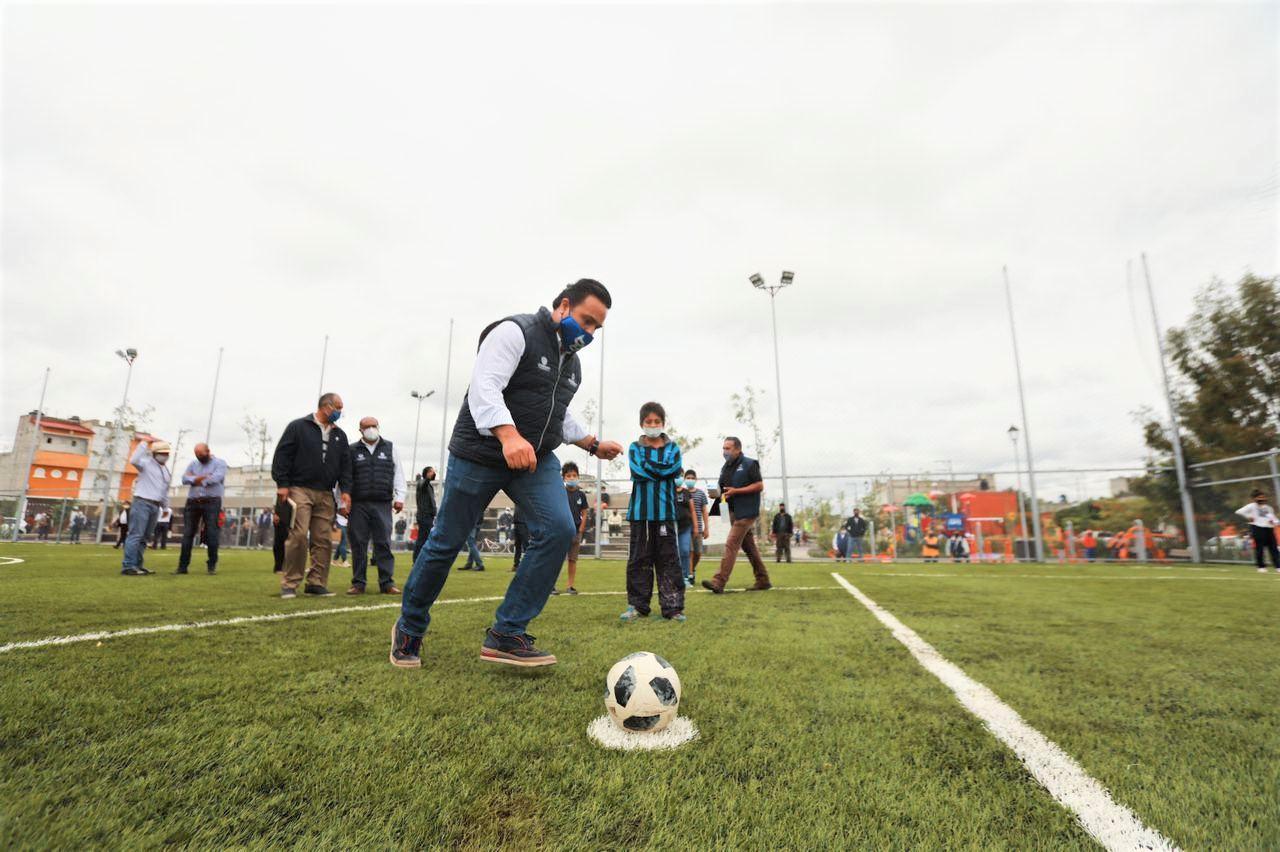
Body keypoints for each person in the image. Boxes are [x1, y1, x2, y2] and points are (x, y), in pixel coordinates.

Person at [391, 279, 623, 669]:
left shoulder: (573, 363)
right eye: (586, 321)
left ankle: (507, 632)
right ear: (564, 306)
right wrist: (508, 434)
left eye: (596, 328)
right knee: (445, 543)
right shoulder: (515, 332)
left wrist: (590, 443)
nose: (589, 333)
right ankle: (410, 627)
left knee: (559, 529)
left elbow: (556, 410)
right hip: (480, 452)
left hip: (531, 457)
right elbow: (486, 387)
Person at [270, 392, 353, 599]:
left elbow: (345, 466)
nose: (340, 412)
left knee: (323, 539)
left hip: (326, 493)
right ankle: (290, 583)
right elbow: (282, 455)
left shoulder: (340, 436)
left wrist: (346, 492)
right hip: (300, 489)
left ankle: (316, 582)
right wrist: (282, 484)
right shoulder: (298, 427)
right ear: (326, 406)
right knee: (298, 535)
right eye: (338, 407)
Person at [620, 402, 686, 622]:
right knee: (639, 560)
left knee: (669, 560)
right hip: (641, 514)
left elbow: (673, 468)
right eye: (648, 422)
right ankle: (637, 606)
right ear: (641, 424)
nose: (653, 425)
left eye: (657, 421)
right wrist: (662, 472)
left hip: (665, 513)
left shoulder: (673, 448)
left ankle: (673, 608)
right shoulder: (634, 448)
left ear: (663, 423)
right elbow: (638, 470)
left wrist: (654, 470)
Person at [345, 416, 406, 596]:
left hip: (382, 503)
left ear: (378, 427)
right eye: (367, 427)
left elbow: (399, 474)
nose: (371, 429)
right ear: (360, 430)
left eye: (374, 426)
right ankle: (358, 583)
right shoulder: (352, 450)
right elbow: (346, 477)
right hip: (359, 504)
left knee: (383, 544)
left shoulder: (390, 448)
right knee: (358, 544)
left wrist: (400, 497)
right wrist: (343, 501)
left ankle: (387, 583)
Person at [702, 436, 771, 594]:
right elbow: (723, 489)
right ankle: (763, 579)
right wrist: (716, 494)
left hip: (746, 512)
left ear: (738, 449)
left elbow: (759, 485)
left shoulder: (749, 464)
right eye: (723, 448)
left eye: (728, 448)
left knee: (731, 543)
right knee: (749, 547)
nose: (724, 452)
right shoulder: (725, 468)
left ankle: (718, 582)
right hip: (731, 511)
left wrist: (737, 491)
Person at [120, 440, 172, 576]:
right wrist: (144, 444)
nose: (165, 455)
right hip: (142, 502)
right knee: (136, 534)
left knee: (145, 537)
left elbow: (164, 490)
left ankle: (137, 565)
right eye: (162, 453)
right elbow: (134, 460)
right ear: (154, 454)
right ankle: (128, 566)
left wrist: (166, 508)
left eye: (167, 453)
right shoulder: (146, 463)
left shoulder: (166, 471)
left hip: (155, 506)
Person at [175, 443, 228, 575]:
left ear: (208, 451)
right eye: (196, 455)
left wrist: (195, 479)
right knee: (188, 534)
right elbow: (184, 479)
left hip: (212, 502)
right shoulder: (193, 464)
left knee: (211, 533)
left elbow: (216, 478)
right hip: (193, 502)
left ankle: (211, 565)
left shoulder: (220, 463)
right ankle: (182, 567)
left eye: (200, 454)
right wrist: (202, 478)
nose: (198, 457)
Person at [552, 461, 589, 595]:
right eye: (568, 476)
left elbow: (584, 512)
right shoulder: (559, 493)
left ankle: (570, 586)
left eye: (574, 475)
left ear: (578, 476)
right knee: (557, 559)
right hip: (561, 531)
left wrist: (581, 529)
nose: (572, 478)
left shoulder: (581, 495)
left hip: (576, 532)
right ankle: (552, 586)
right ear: (564, 478)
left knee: (572, 560)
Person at [1237, 489, 1279, 573]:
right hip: (1257, 528)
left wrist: (1274, 522)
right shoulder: (1251, 506)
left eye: (1263, 497)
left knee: (1274, 548)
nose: (1262, 499)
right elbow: (1239, 511)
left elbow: (1274, 519)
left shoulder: (1268, 508)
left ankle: (1278, 566)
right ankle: (1261, 567)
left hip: (1269, 529)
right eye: (1260, 497)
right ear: (1254, 498)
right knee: (1260, 548)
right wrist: (1249, 517)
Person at [673, 471, 696, 589]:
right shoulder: (668, 491)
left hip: (686, 527)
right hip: (672, 527)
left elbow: (692, 510)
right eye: (677, 476)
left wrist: (696, 526)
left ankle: (685, 578)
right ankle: (674, 578)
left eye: (681, 476)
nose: (679, 478)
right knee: (673, 553)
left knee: (685, 551)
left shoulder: (687, 492)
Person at [686, 471, 709, 583]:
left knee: (698, 552)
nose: (690, 479)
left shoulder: (701, 494)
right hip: (685, 529)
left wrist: (706, 528)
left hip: (698, 529)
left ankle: (692, 569)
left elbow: (704, 511)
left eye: (692, 478)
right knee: (689, 552)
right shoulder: (683, 493)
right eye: (688, 477)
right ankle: (690, 575)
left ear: (695, 479)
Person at [413, 466, 438, 562]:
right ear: (426, 473)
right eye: (431, 471)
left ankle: (419, 558)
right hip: (424, 515)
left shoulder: (428, 485)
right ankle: (417, 559)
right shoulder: (422, 483)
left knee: (424, 537)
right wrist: (427, 478)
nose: (433, 473)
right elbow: (423, 484)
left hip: (428, 516)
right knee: (423, 538)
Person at [272, 493, 293, 573]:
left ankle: (287, 566)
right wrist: (275, 514)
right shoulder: (280, 491)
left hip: (291, 515)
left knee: (290, 543)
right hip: (281, 517)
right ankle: (278, 567)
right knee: (279, 542)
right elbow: (274, 503)